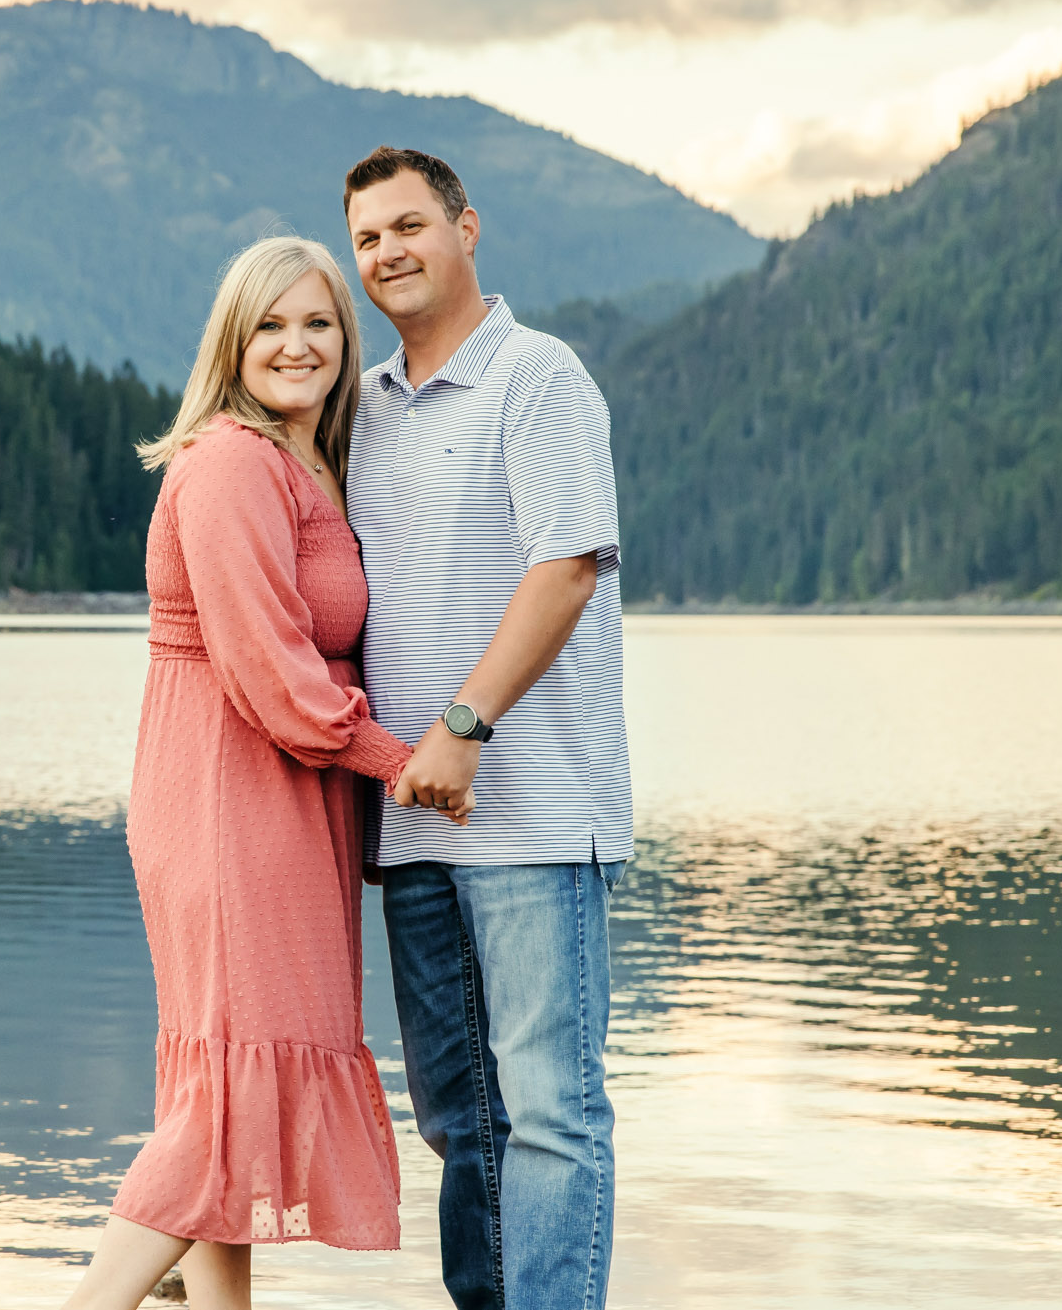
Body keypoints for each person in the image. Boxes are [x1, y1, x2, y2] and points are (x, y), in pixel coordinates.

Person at [61, 236, 411, 1310]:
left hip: (284, 808)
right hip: (229, 804)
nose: (296, 344)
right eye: (271, 324)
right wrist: (408, 763)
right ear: (233, 341)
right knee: (225, 1102)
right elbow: (268, 671)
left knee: (230, 1087)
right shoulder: (229, 463)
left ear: (346, 343)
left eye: (318, 323)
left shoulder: (312, 461)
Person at [342, 146, 633, 1310]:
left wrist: (465, 721)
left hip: (534, 818)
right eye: (366, 237)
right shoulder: (360, 406)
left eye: (409, 224)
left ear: (469, 228)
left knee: (552, 1113)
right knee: (463, 1117)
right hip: (413, 829)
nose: (388, 253)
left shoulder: (538, 376)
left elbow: (564, 566)